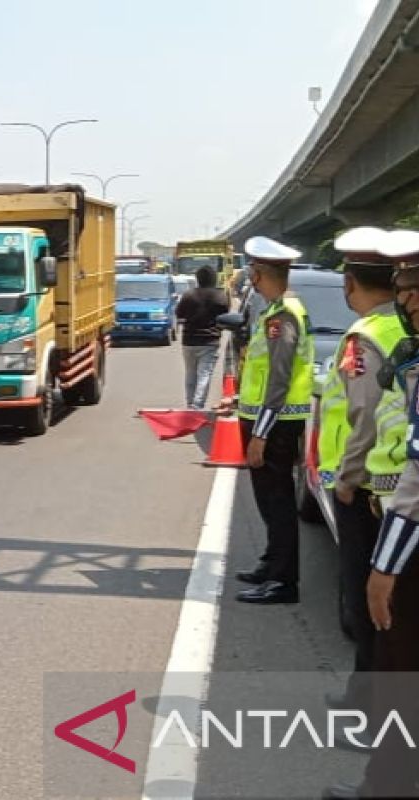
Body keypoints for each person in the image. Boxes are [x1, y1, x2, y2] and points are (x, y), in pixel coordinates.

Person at [325, 229, 419, 800]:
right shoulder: (402, 341)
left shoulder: (367, 335)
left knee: (397, 663)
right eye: (404, 285)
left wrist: (384, 566)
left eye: (414, 286)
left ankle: (384, 787)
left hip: (396, 515)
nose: (406, 300)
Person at [316, 227, 405, 723]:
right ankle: (362, 700)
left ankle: (371, 713)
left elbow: (364, 415)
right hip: (397, 489)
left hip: (371, 489)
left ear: (350, 283)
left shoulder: (365, 336)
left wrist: (347, 479)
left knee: (368, 609)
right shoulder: (403, 329)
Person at [230, 236, 314, 604]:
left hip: (275, 424)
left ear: (259, 273)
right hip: (267, 418)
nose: (250, 278)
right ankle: (271, 564)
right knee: (267, 500)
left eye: (252, 272)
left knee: (277, 503)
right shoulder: (275, 309)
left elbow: (279, 379)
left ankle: (283, 582)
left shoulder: (283, 316)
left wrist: (260, 435)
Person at [175, 265, 230, 409]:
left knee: (190, 374)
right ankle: (197, 405)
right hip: (210, 341)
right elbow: (225, 318)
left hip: (189, 341)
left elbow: (179, 314)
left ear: (198, 279)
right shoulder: (221, 296)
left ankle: (190, 403)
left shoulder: (188, 295)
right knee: (204, 374)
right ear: (214, 279)